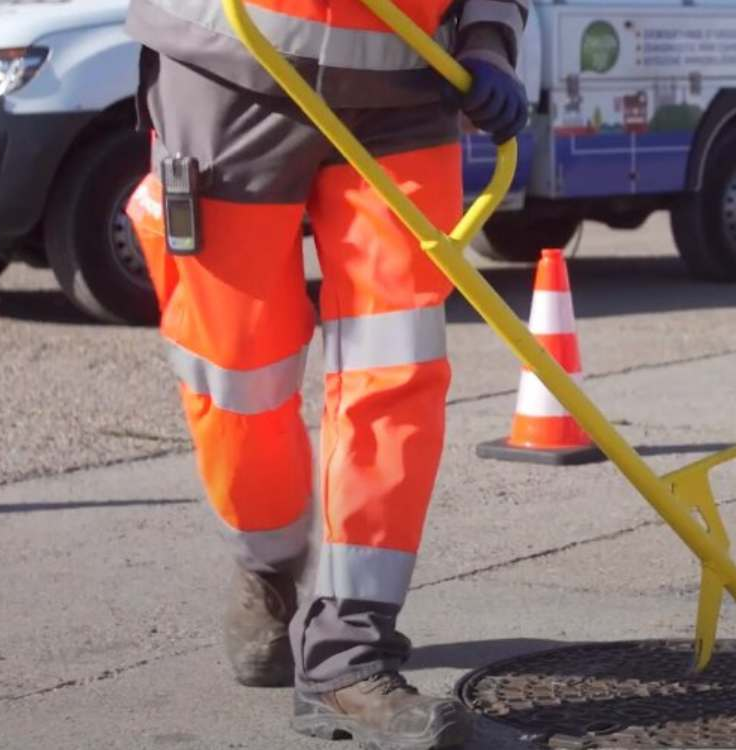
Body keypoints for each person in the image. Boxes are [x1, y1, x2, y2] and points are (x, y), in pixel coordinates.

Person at [121, 0, 528, 746]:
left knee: (396, 363)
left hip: (407, 84)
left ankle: (349, 652)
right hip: (228, 63)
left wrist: (492, 37)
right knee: (237, 367)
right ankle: (268, 567)